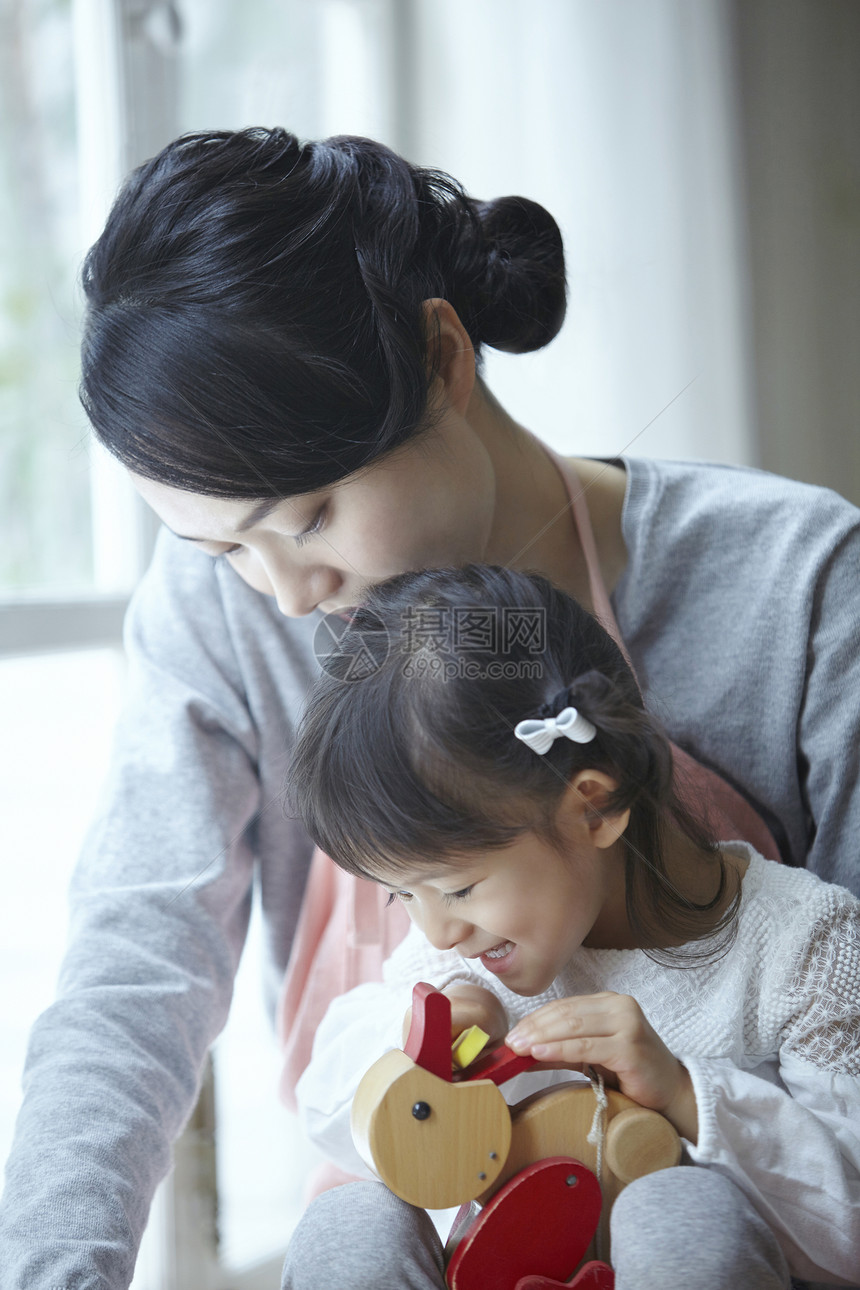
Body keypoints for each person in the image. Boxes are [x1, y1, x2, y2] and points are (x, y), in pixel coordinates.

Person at [0, 124, 858, 1288]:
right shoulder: (226, 606)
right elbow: (136, 962)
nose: (289, 596)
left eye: (307, 517)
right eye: (221, 545)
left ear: (443, 356)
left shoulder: (791, 582)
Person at [284, 563, 860, 1289]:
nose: (436, 932)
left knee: (680, 1210)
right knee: (348, 1221)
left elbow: (851, 1236)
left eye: (458, 887)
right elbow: (326, 1108)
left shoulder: (801, 948)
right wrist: (412, 1056)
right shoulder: (464, 964)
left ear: (593, 807)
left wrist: (684, 1093)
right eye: (404, 896)